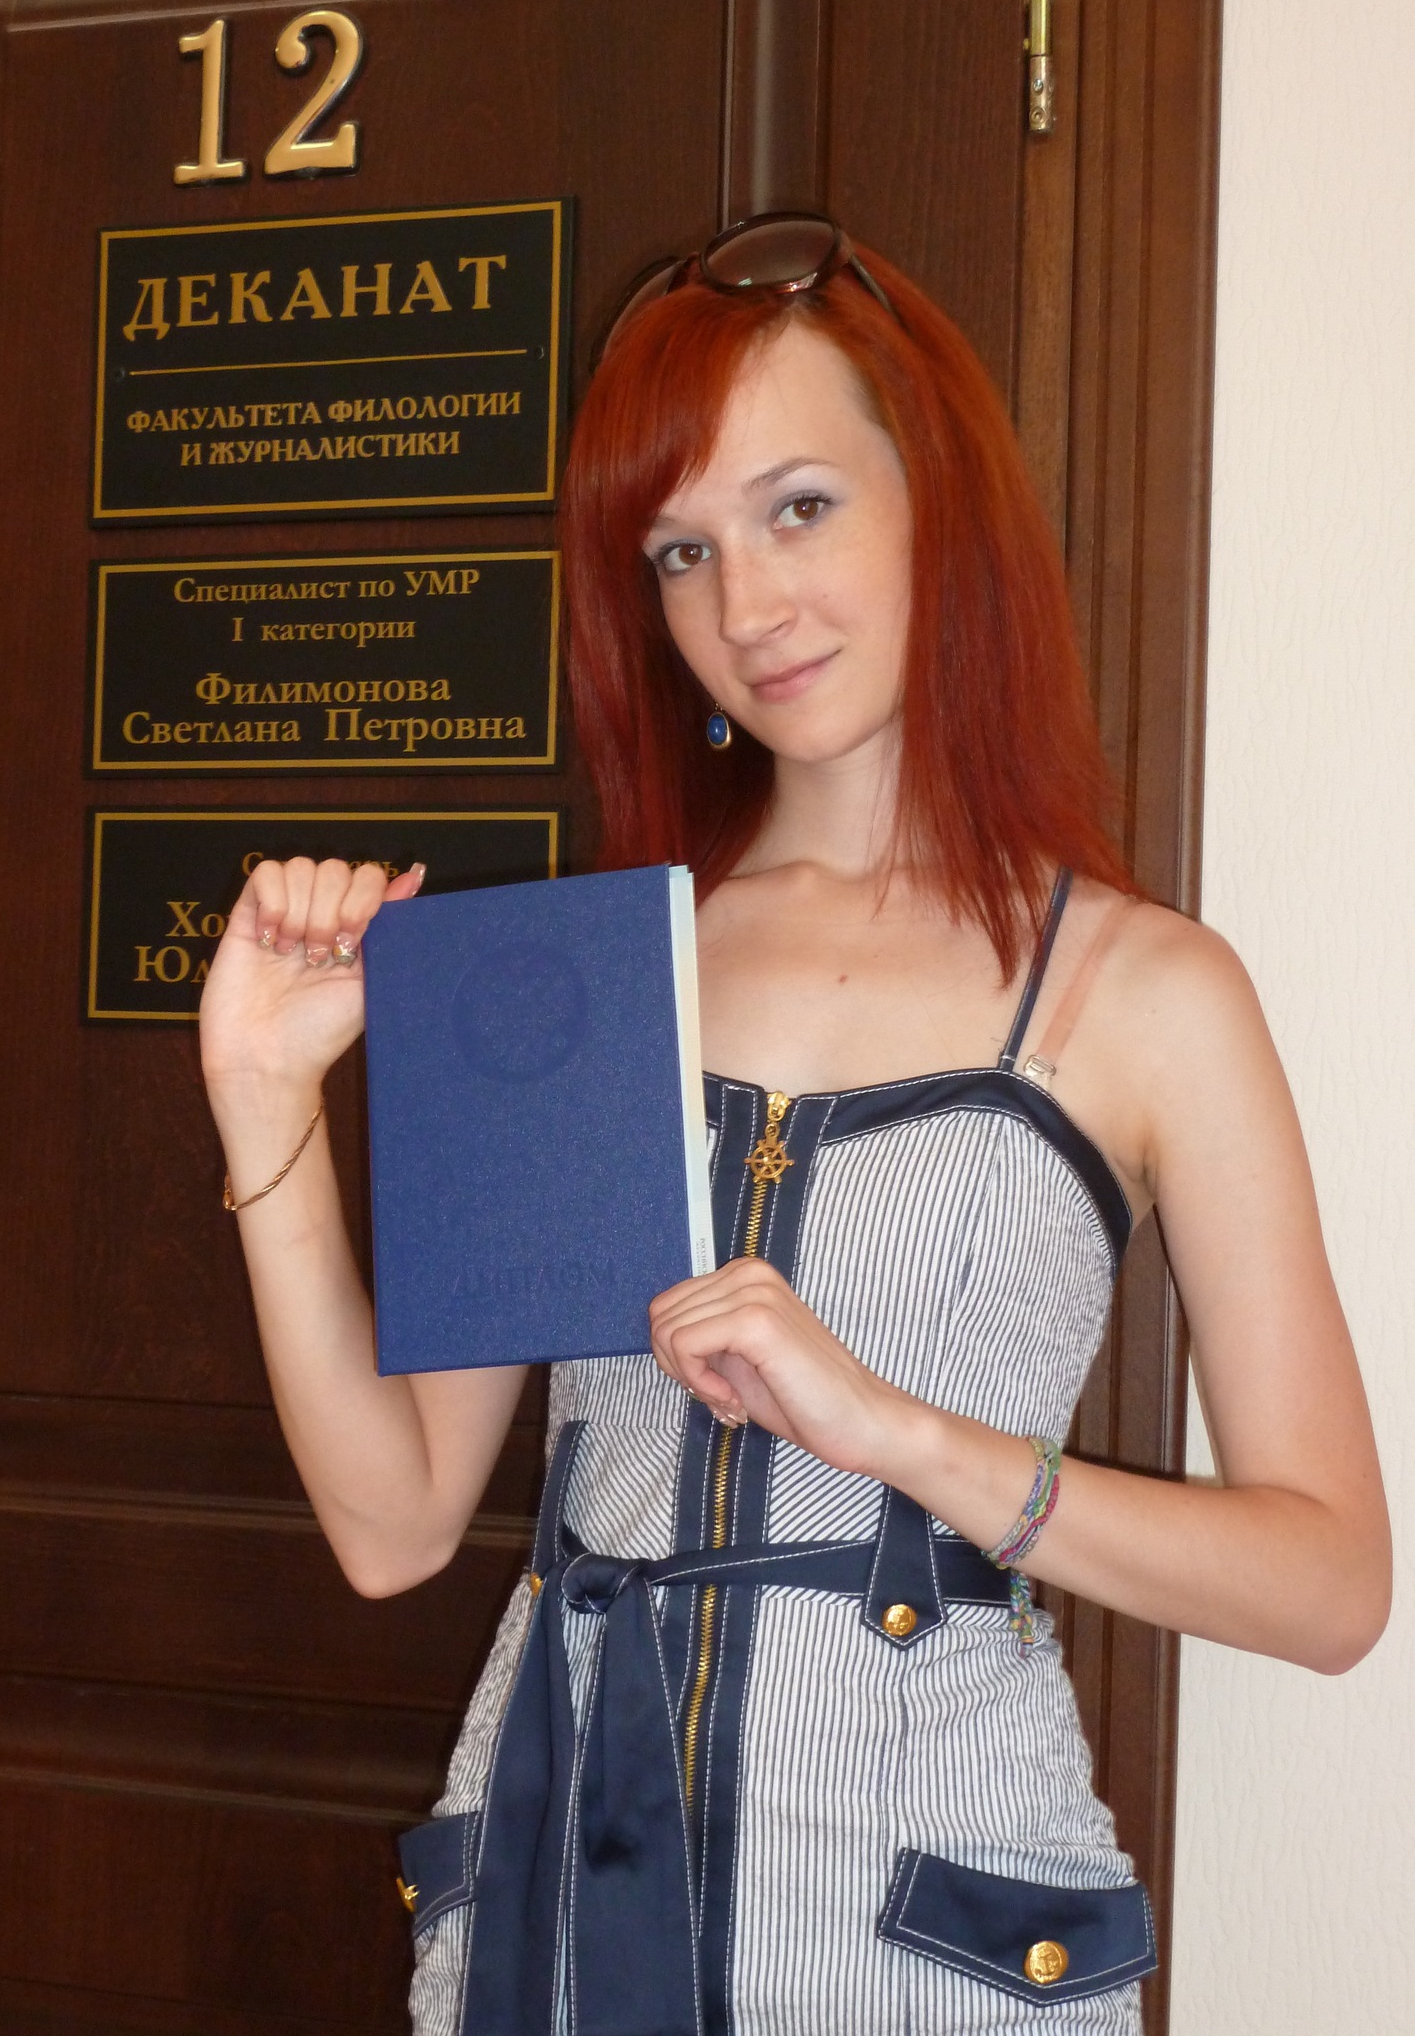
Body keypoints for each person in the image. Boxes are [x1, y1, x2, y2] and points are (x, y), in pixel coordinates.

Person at [199, 216, 1390, 2034]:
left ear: (939, 502)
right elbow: (395, 1524)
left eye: (801, 508)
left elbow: (1329, 1583)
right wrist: (266, 1100)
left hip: (935, 1945)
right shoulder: (583, 969)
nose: (745, 606)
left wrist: (898, 1434)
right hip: (551, 1915)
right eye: (682, 550)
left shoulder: (1151, 993)